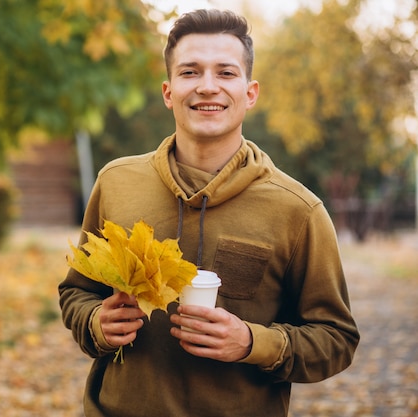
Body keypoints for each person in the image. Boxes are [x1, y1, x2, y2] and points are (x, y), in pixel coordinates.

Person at [59, 8, 359, 417]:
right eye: (190, 72)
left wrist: (253, 343)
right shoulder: (116, 182)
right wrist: (97, 323)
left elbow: (336, 339)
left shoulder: (298, 211)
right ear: (168, 92)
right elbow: (77, 292)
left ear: (250, 92)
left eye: (225, 72)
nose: (207, 87)